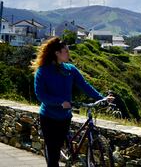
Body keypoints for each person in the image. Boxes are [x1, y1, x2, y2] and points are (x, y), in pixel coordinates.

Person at [32, 37, 113, 167]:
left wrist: (101, 98)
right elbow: (41, 96)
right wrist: (60, 102)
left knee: (65, 142)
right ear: (57, 53)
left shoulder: (70, 69)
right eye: (66, 51)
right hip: (49, 117)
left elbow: (84, 85)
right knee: (54, 153)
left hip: (65, 116)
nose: (69, 54)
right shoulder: (43, 71)